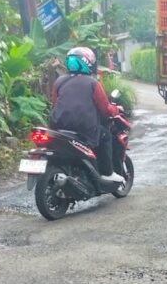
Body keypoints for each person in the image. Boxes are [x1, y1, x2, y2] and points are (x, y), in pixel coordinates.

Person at [50, 46, 124, 183]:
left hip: (59, 128)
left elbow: (54, 104)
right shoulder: (92, 83)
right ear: (88, 63)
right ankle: (108, 173)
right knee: (106, 136)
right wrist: (115, 110)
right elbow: (105, 109)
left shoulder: (59, 82)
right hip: (84, 129)